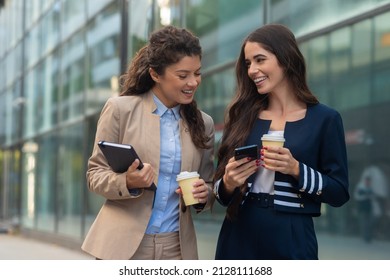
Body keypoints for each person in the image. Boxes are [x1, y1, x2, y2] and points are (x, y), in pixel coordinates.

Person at [213, 24, 349, 260]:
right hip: (239, 230)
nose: (252, 70)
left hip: (293, 233)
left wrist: (296, 169)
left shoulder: (325, 119)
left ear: (285, 59)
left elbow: (339, 192)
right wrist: (228, 182)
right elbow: (219, 192)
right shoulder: (242, 116)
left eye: (260, 60)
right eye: (248, 63)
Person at [82, 25, 215, 260]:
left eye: (197, 73)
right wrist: (127, 181)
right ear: (155, 74)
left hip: (177, 247)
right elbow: (95, 174)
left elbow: (208, 183)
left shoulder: (203, 123)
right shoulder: (120, 110)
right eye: (183, 75)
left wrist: (204, 193)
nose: (193, 82)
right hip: (123, 248)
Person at [354, 176, 382, 243]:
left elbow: (373, 198)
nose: (368, 182)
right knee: (364, 223)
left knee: (369, 223)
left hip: (369, 209)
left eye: (369, 181)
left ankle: (368, 237)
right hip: (362, 208)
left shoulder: (370, 189)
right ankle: (365, 237)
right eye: (367, 181)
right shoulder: (360, 188)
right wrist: (366, 196)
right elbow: (357, 197)